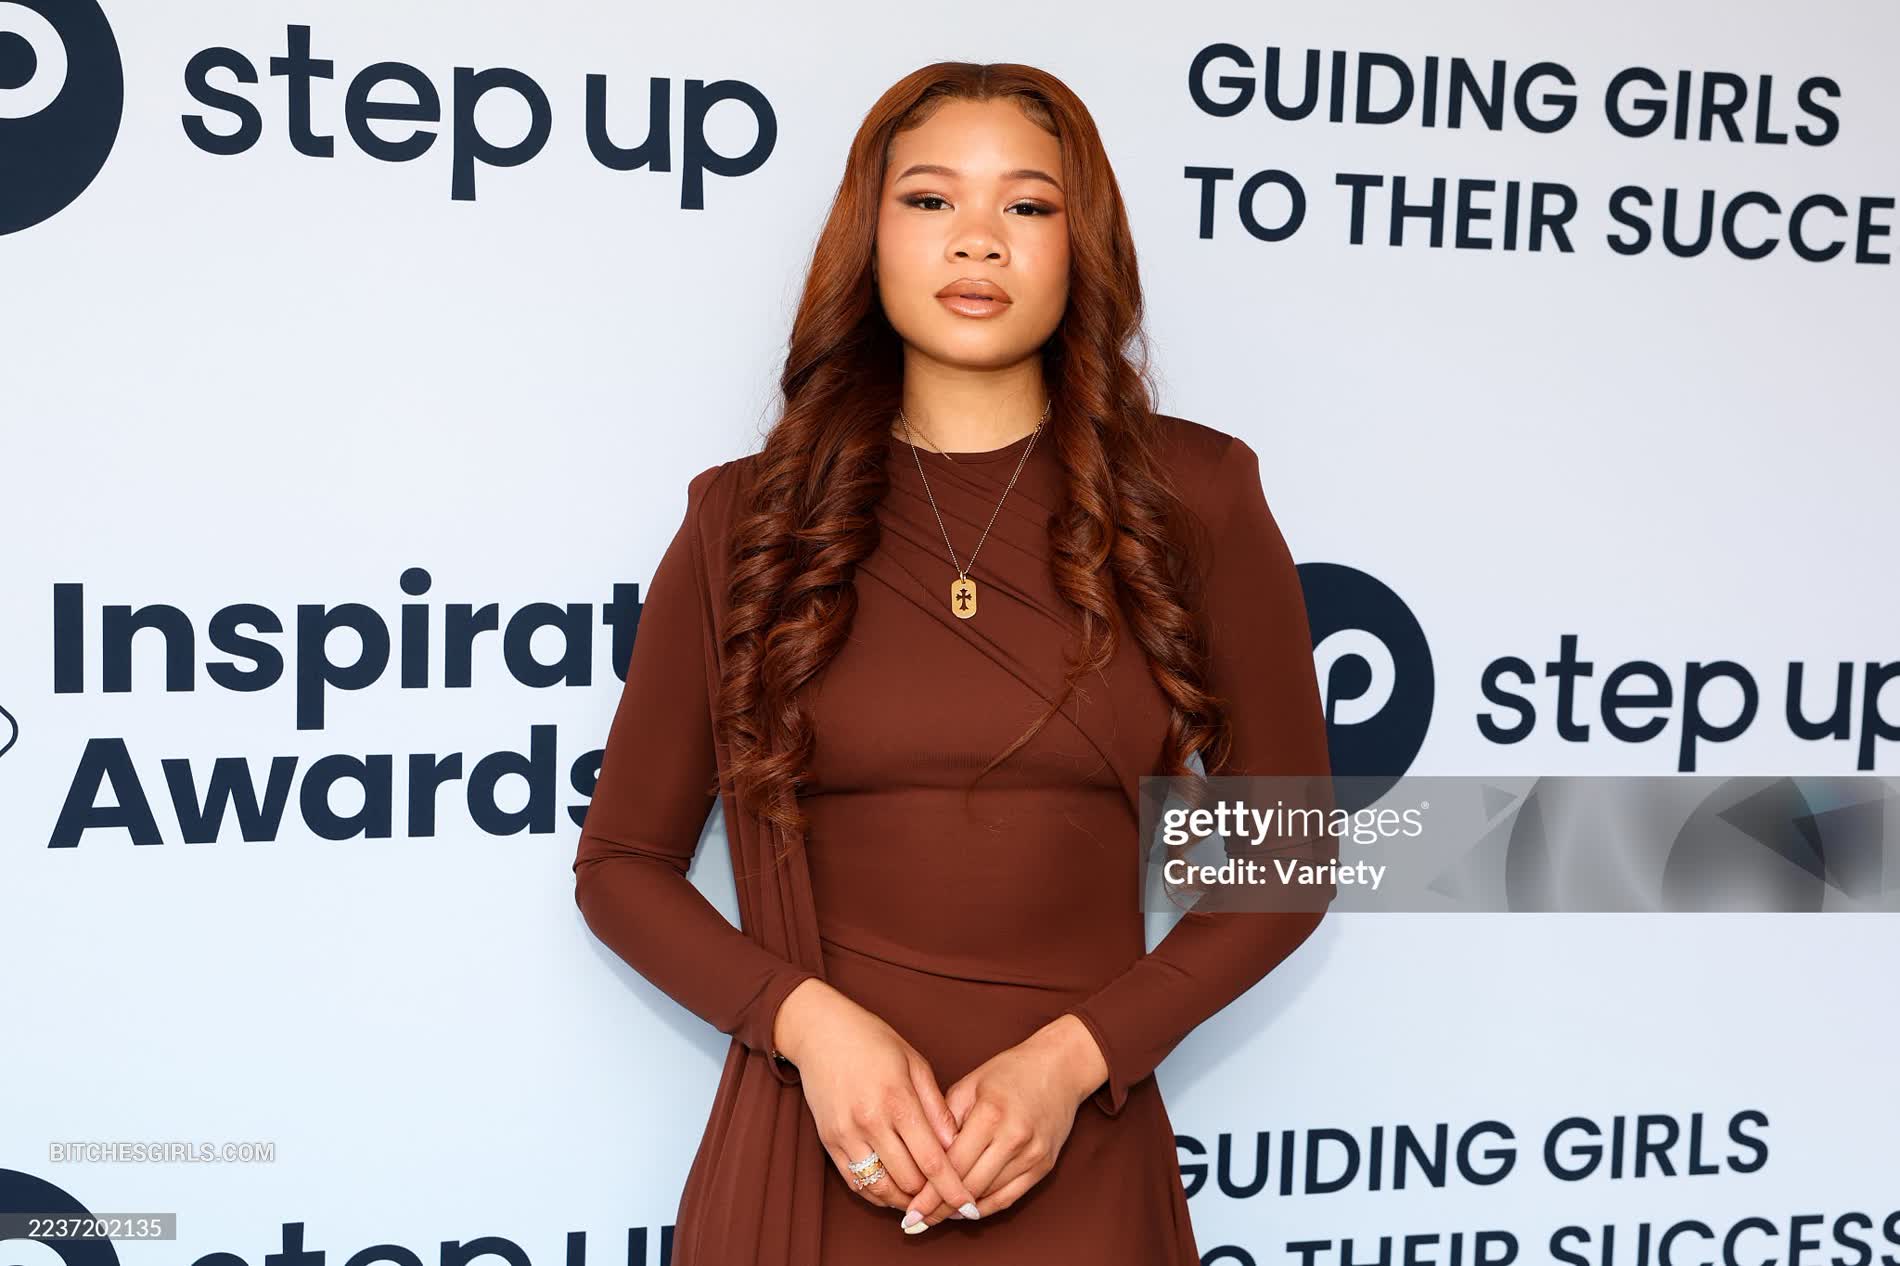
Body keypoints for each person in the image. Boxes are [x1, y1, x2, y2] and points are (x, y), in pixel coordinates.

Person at [571, 61, 1332, 1265]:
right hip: (810, 1159)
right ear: (868, 239)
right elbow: (620, 866)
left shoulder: (1196, 496)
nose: (978, 240)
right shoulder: (747, 519)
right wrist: (807, 1028)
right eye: (930, 201)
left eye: (1027, 205)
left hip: (1081, 1160)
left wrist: (1073, 1062)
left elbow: (1288, 862)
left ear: (1081, 246)